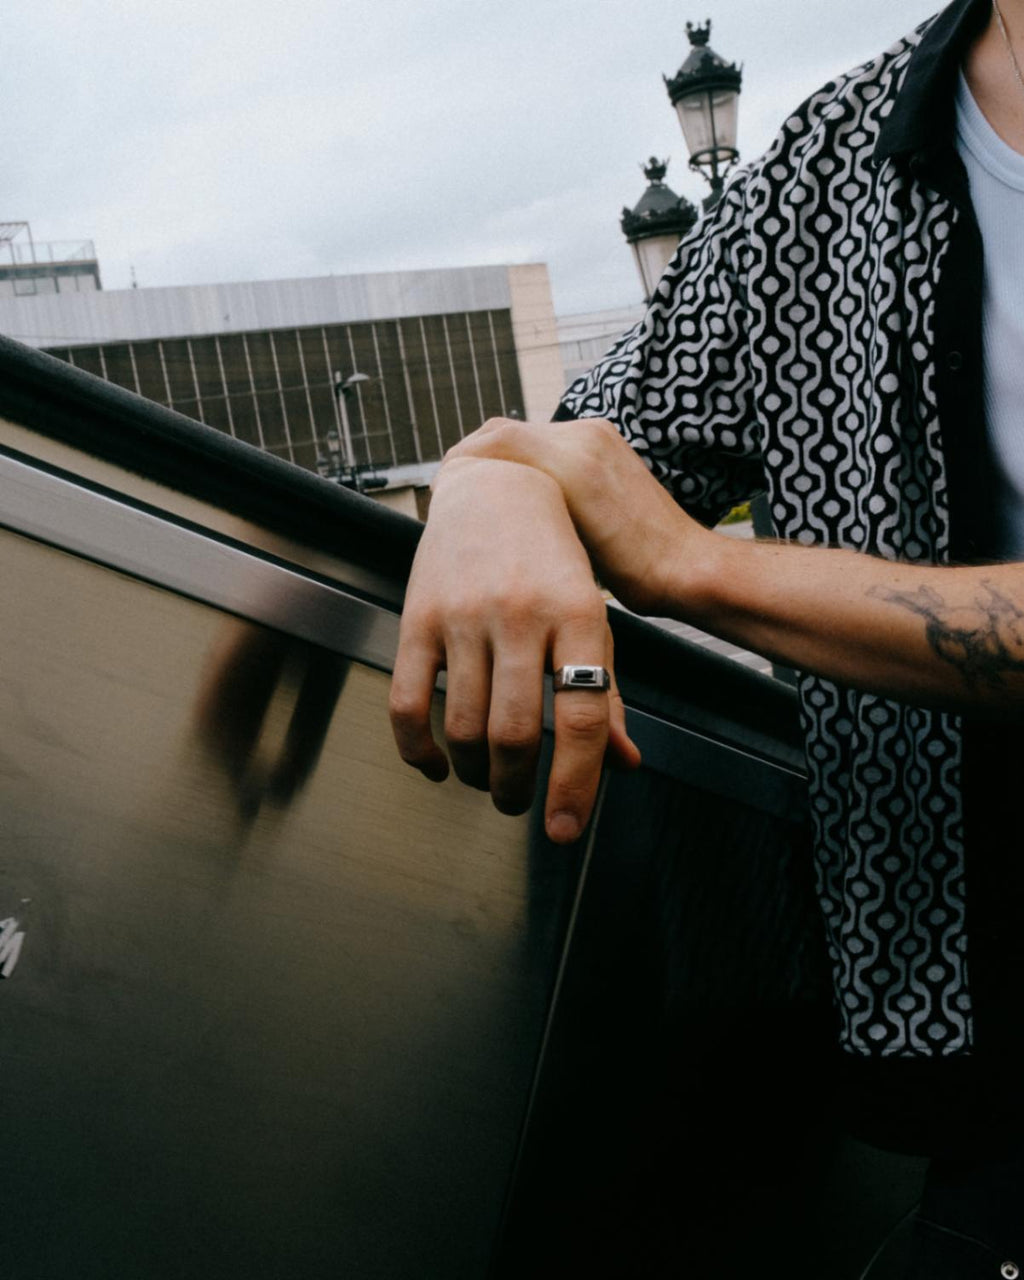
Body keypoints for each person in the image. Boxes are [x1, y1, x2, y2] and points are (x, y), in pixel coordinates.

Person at [390, 0, 1024, 1268]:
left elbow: (652, 527)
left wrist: (693, 567)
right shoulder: (848, 152)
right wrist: (489, 483)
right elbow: (594, 439)